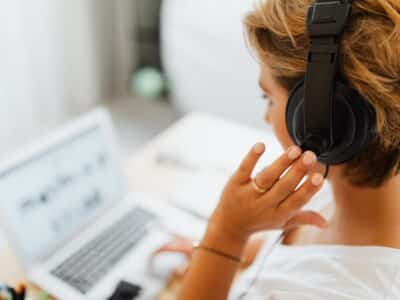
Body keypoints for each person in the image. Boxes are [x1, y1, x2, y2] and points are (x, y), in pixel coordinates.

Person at [156, 0, 400, 298]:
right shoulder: (353, 183)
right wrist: (228, 251)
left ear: (323, 118)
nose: (267, 116)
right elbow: (299, 252)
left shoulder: (335, 291)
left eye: (267, 98)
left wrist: (225, 235)